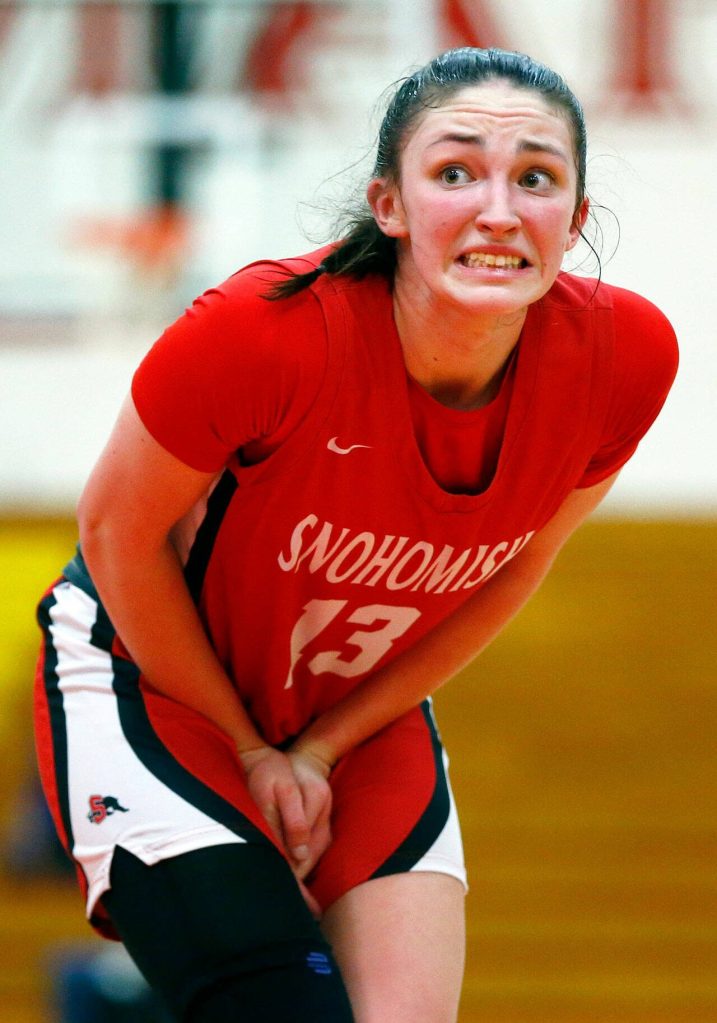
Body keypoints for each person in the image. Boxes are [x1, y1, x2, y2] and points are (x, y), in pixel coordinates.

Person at [34, 47, 678, 1023]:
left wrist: (326, 747)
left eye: (536, 178)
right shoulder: (261, 330)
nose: (499, 209)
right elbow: (113, 534)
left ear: (575, 219)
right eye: (455, 172)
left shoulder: (625, 358)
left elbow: (518, 569)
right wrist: (252, 751)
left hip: (355, 709)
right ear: (390, 204)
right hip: (153, 676)